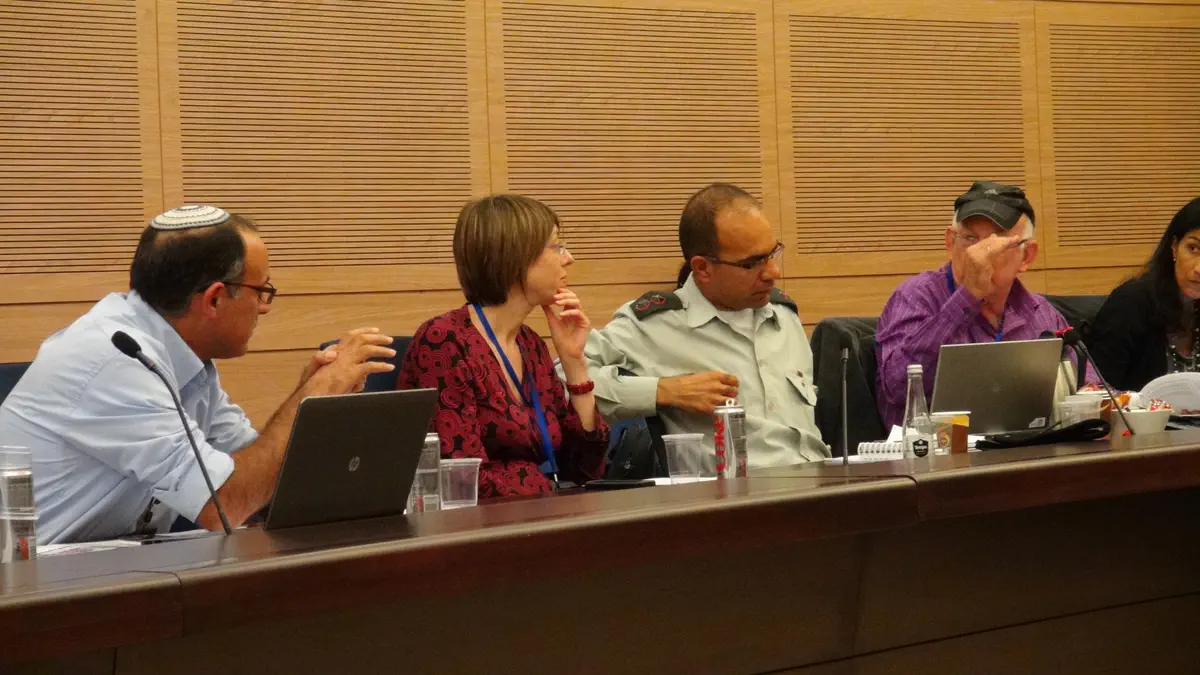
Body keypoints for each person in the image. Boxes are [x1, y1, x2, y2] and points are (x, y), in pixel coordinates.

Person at [0, 205, 394, 544]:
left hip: (104, 575)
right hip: (26, 586)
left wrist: (311, 404)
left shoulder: (184, 358)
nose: (264, 307)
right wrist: (314, 394)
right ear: (215, 299)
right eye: (261, 291)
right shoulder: (116, 359)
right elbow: (225, 505)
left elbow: (263, 482)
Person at [584, 183, 828, 467]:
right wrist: (663, 391)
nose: (773, 272)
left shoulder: (784, 316)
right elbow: (564, 385)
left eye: (772, 254)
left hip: (821, 480)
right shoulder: (655, 325)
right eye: (752, 264)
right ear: (702, 268)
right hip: (737, 490)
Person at [397, 195, 607, 497]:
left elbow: (584, 472)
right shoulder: (444, 341)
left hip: (539, 515)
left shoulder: (530, 344)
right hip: (475, 523)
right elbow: (462, 480)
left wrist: (575, 364)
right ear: (516, 257)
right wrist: (543, 487)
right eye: (557, 246)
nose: (569, 258)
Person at [875, 181, 1097, 429]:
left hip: (1031, 447)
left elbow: (1089, 387)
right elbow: (898, 387)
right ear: (950, 241)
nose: (977, 255)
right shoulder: (917, 296)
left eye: (994, 243)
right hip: (939, 451)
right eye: (970, 239)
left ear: (1027, 256)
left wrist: (1101, 401)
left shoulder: (1040, 313)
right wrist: (967, 296)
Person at [1087, 197, 1200, 392]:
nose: (1199, 269)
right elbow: (1097, 391)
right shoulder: (1130, 303)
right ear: (1174, 247)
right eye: (1193, 248)